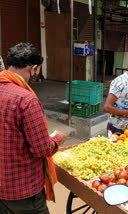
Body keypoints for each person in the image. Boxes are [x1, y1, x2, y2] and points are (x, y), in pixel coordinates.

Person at [0, 43, 67, 214]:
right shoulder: (26, 100)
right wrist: (57, 138)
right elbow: (42, 149)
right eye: (36, 71)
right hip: (24, 190)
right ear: (32, 68)